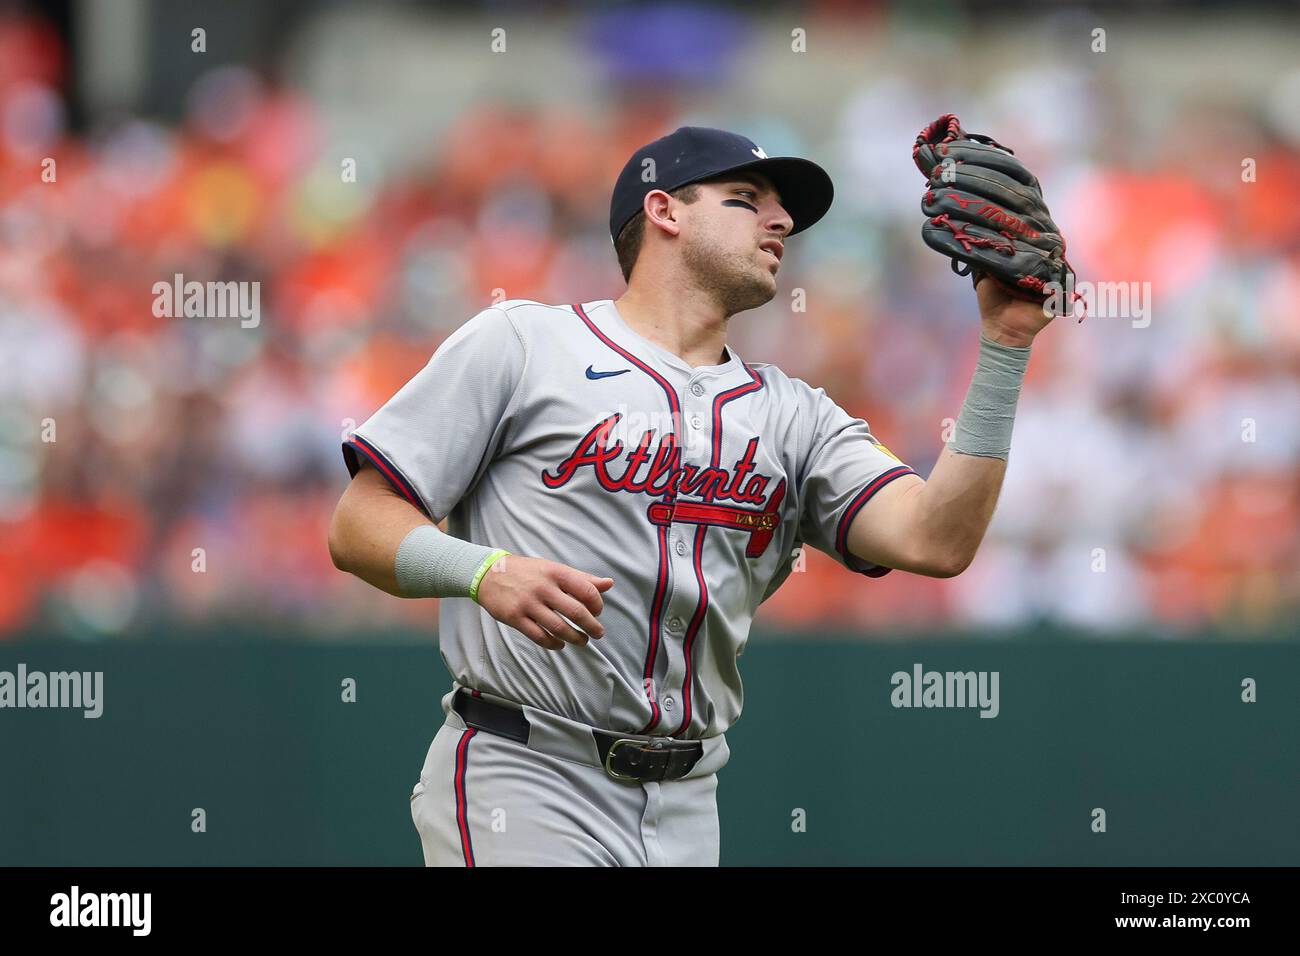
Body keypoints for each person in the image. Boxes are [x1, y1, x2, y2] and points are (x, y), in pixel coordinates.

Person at [328, 126, 1052, 866]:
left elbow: (936, 540)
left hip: (689, 804)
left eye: (784, 213)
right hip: (527, 772)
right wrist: (481, 573)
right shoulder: (523, 346)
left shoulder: (795, 415)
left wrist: (1005, 346)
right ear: (666, 211)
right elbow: (358, 523)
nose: (781, 223)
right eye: (747, 201)